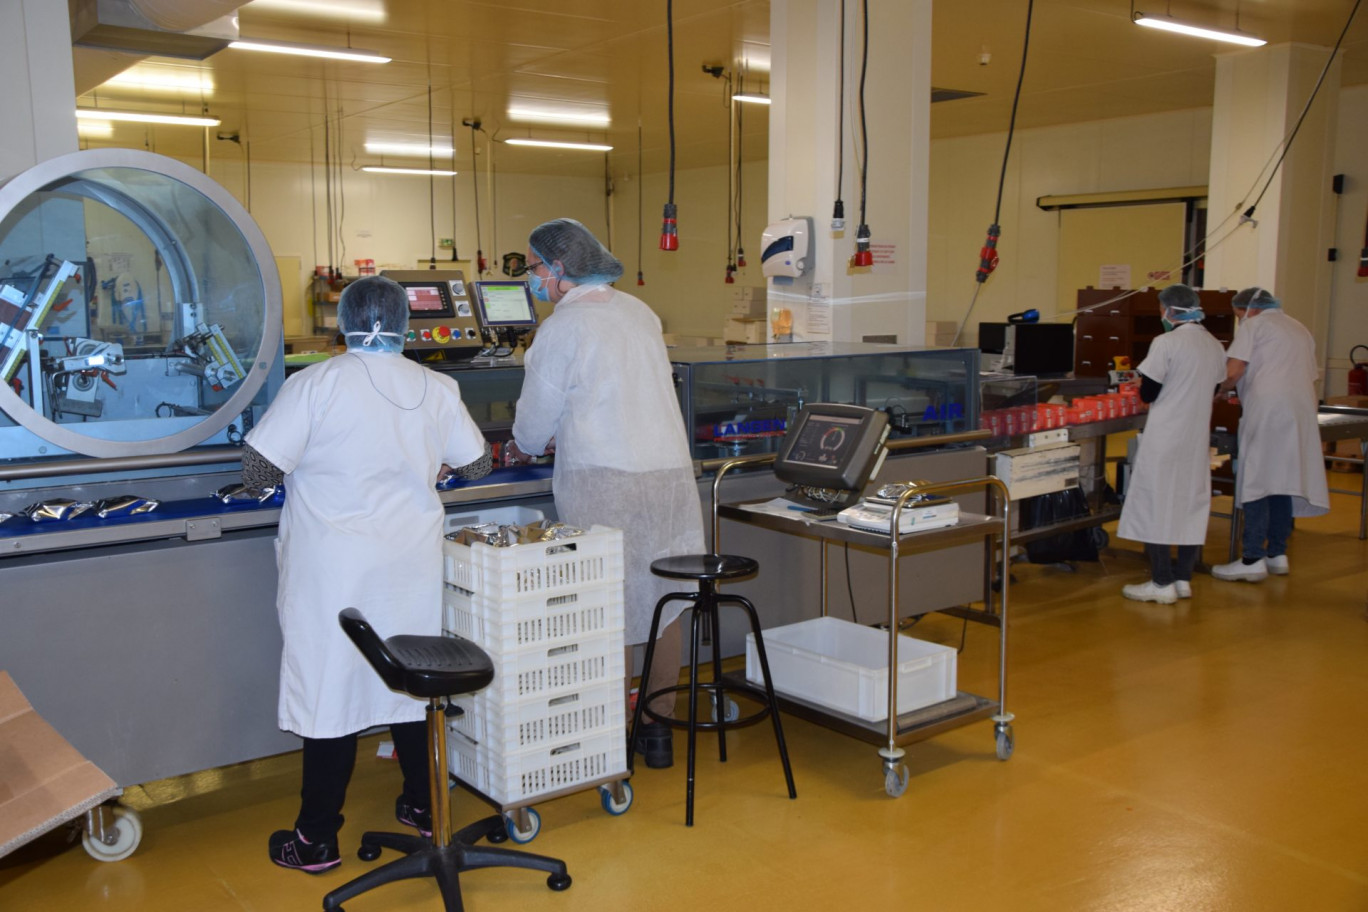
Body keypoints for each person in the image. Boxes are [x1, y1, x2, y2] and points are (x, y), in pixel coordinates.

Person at [243, 276, 492, 873]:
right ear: (407, 324)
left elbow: (258, 473)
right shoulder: (435, 384)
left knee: (331, 691)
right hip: (408, 562)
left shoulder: (316, 383)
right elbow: (478, 463)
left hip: (334, 566)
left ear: (343, 324)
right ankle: (423, 807)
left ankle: (316, 839)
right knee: (411, 678)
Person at [507, 218, 705, 770]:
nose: (533, 278)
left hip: (606, 480)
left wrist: (522, 448)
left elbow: (533, 422)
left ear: (561, 270)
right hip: (667, 477)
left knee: (606, 606)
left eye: (535, 267)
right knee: (665, 604)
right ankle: (658, 730)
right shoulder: (639, 312)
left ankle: (610, 737)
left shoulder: (563, 329)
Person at [1116, 284, 1227, 604]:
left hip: (1166, 437)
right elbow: (1213, 384)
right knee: (1189, 506)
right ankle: (1182, 579)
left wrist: (1142, 384)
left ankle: (1161, 582)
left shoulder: (1165, 342)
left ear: (1169, 310)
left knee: (1157, 507)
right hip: (1195, 439)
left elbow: (1149, 393)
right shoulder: (1212, 344)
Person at [1211, 286, 1329, 582]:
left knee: (1256, 480)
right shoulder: (1298, 327)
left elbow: (1234, 370)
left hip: (1268, 412)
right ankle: (1277, 554)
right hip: (1299, 412)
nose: (1240, 320)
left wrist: (1216, 388)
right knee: (1282, 481)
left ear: (1249, 309)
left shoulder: (1255, 325)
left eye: (1239, 315)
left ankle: (1251, 558)